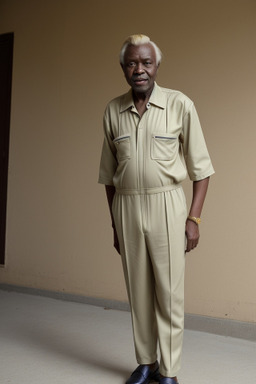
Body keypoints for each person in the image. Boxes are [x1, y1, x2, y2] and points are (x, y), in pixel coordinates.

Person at [98, 34, 214, 384]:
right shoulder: (112, 111)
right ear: (123, 68)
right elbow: (109, 176)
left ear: (157, 66)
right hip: (127, 206)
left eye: (146, 62)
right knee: (138, 290)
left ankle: (169, 371)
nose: (139, 69)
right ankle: (146, 362)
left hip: (168, 205)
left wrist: (193, 219)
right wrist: (115, 224)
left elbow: (202, 169)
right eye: (132, 62)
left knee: (169, 292)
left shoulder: (181, 105)